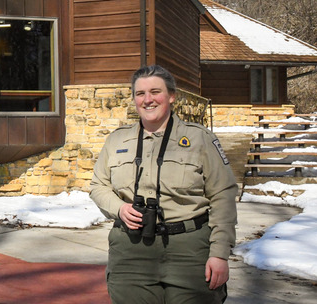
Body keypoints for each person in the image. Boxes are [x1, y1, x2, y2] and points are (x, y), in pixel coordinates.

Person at [90, 65, 237, 304]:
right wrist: (119, 208)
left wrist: (219, 254)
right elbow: (98, 186)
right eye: (140, 94)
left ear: (171, 96)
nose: (148, 100)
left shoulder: (200, 138)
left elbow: (223, 195)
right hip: (131, 249)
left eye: (155, 92)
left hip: (189, 250)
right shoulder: (117, 140)